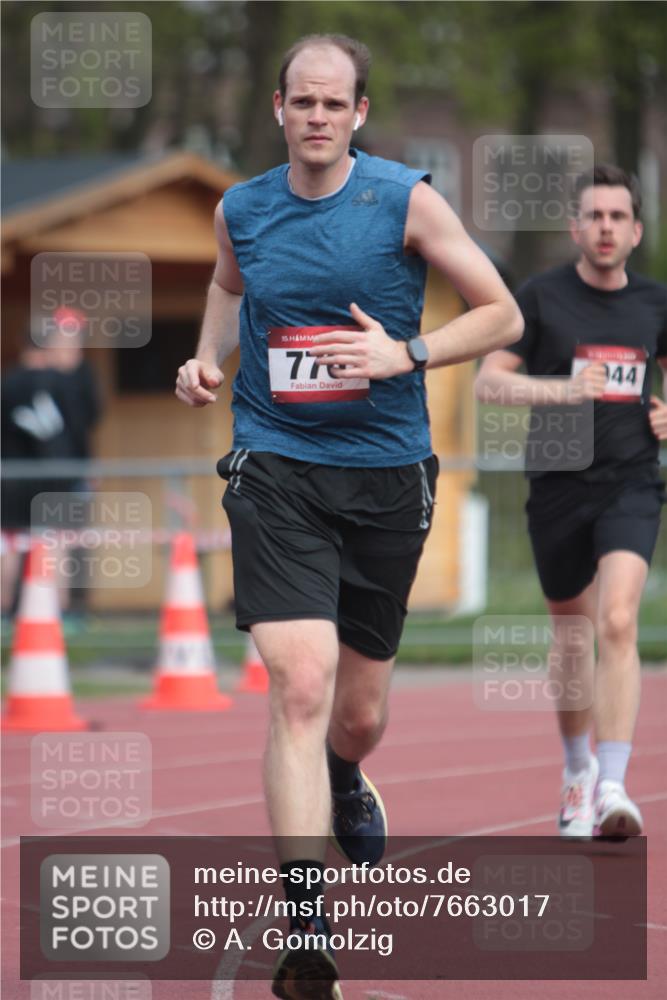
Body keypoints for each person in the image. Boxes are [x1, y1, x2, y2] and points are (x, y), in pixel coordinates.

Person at [176, 33, 522, 998]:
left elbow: (501, 315)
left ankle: (342, 775)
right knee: (299, 682)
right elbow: (226, 287)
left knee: (356, 716)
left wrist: (405, 355)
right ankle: (305, 927)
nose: (318, 117)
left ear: (358, 113)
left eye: (335, 104)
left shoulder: (403, 198)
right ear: (279, 110)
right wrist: (210, 361)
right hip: (276, 467)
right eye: (302, 103)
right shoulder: (240, 208)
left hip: (385, 477)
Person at [476, 165, 667, 841]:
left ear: (635, 230)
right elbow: (488, 383)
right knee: (573, 634)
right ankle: (577, 771)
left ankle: (614, 785)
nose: (606, 227)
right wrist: (561, 389)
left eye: (618, 217)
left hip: (631, 482)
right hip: (556, 482)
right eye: (595, 216)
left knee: (616, 620)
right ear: (575, 227)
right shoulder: (539, 296)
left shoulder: (654, 303)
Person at [1, 310, 101, 615]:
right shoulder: (66, 384)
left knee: (8, 547)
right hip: (60, 478)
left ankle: (4, 613)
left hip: (11, 480)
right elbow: (86, 424)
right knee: (57, 548)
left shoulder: (7, 385)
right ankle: (58, 617)